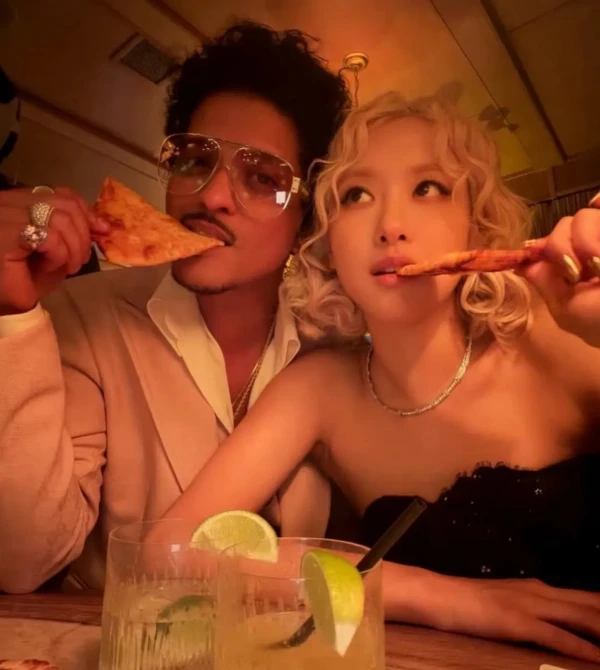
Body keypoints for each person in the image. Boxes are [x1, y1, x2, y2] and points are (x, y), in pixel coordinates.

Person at [161, 91, 600, 662]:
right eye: (357, 195)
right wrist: (444, 597)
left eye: (428, 188)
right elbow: (169, 550)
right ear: (327, 244)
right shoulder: (319, 389)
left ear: (476, 225)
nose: (391, 226)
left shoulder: (558, 336)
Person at [0, 21, 350, 593]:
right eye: (194, 160)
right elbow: (23, 561)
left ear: (306, 221)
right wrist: (13, 315)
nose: (211, 195)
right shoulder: (83, 316)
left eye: (262, 177)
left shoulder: (331, 349)